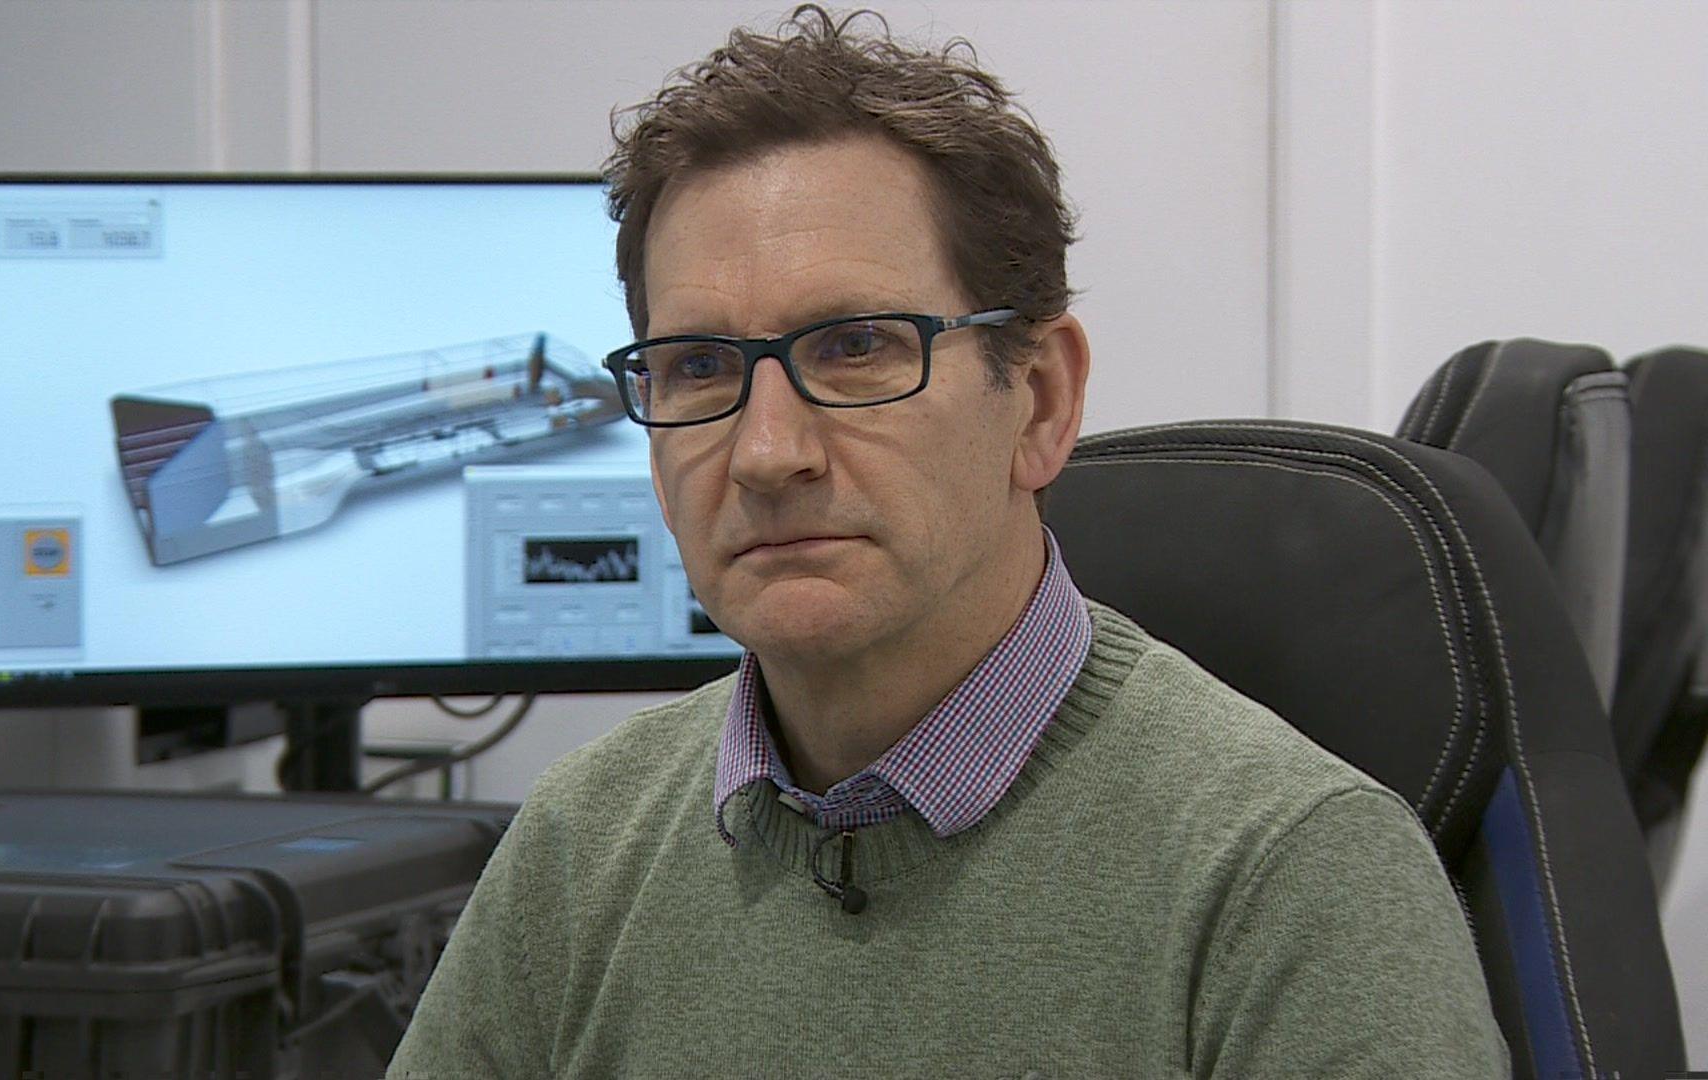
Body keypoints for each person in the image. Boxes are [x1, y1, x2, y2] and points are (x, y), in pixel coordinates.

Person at [389, 7, 1508, 1076]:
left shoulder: (1299, 878)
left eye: (857, 347)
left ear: (1038, 401)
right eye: (697, 367)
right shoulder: (581, 843)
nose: (767, 452)